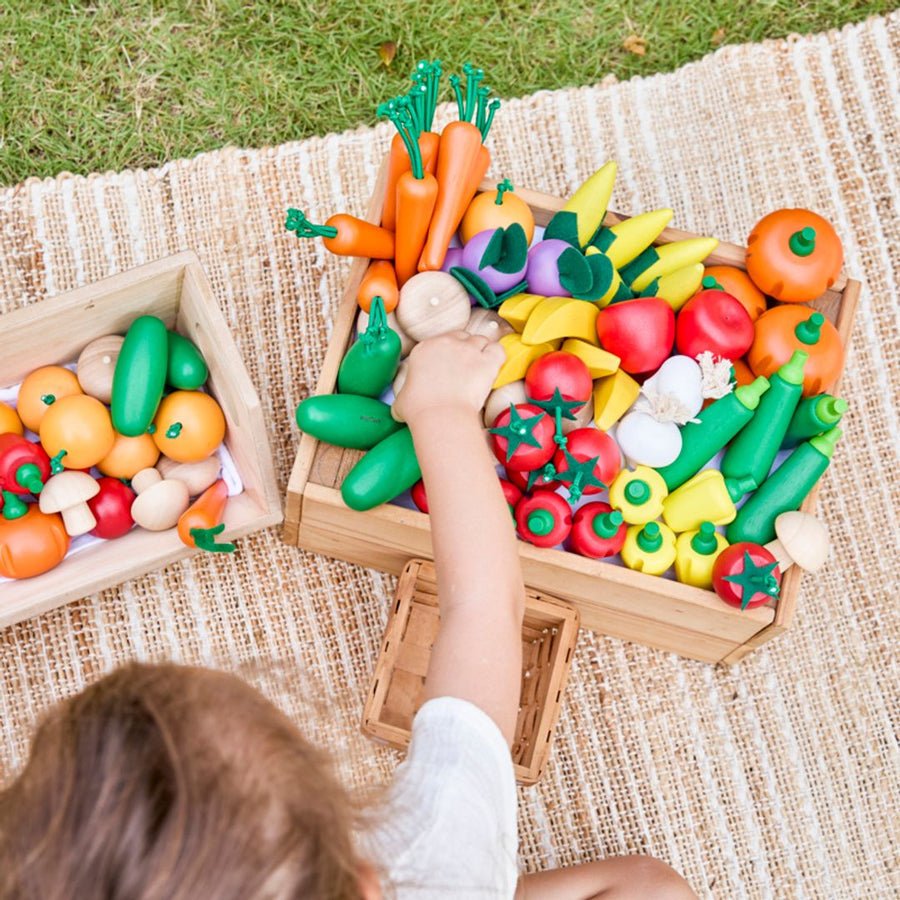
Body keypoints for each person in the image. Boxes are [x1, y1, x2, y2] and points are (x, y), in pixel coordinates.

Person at [0, 332, 696, 899]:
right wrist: (444, 412)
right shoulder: (430, 858)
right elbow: (485, 604)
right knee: (651, 888)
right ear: (366, 885)